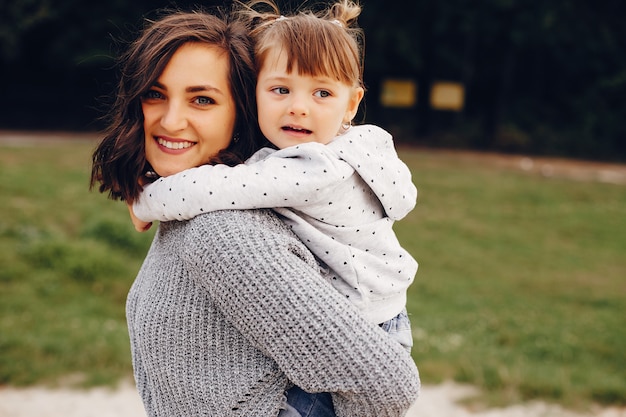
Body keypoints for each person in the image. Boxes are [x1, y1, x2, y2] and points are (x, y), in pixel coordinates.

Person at [90, 8, 420, 417]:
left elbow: (386, 382)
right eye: (155, 94)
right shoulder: (214, 212)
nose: (171, 120)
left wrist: (145, 199)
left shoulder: (222, 231)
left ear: (241, 107)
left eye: (203, 99)